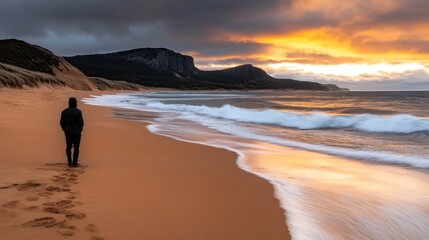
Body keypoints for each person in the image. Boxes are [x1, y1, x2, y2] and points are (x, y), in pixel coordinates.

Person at [60, 97, 84, 167]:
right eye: (76, 102)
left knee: (68, 147)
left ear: (69, 103)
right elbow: (81, 123)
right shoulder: (78, 112)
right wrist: (80, 129)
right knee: (76, 148)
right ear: (75, 103)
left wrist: (65, 129)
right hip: (76, 132)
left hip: (67, 132)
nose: (77, 103)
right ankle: (74, 162)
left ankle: (69, 161)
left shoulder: (64, 112)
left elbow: (61, 123)